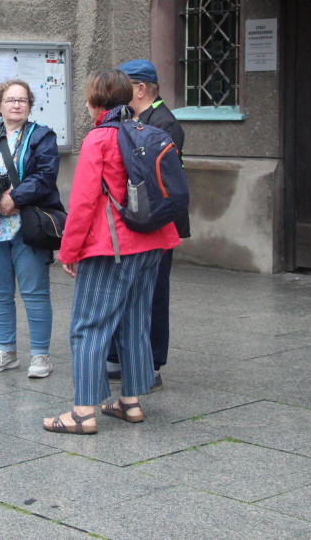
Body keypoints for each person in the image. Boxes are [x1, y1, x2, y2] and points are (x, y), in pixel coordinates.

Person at [43, 69, 179, 435]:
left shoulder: (99, 139)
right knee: (135, 323)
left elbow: (84, 202)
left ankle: (83, 412)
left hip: (112, 248)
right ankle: (130, 403)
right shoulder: (149, 131)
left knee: (88, 327)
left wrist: (69, 251)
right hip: (152, 243)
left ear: (95, 103)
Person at [0, 79, 61, 378]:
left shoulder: (42, 137)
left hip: (27, 226)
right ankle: (6, 350)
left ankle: (41, 355)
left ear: (30, 106)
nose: (16, 104)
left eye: (22, 100)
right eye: (10, 99)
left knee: (35, 293)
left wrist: (13, 199)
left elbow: (45, 175)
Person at [105, 59, 189, 391]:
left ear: (140, 89)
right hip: (140, 221)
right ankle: (124, 356)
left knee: (153, 294)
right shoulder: (136, 119)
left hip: (157, 223)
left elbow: (155, 180)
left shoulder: (165, 124)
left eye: (124, 88)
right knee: (132, 292)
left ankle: (152, 363)